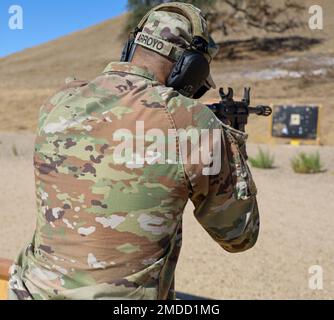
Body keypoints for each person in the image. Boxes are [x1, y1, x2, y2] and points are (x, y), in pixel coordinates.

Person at [8, 2, 259, 300]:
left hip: (29, 291)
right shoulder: (190, 122)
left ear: (130, 49)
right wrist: (231, 140)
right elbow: (238, 235)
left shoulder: (58, 103)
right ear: (190, 68)